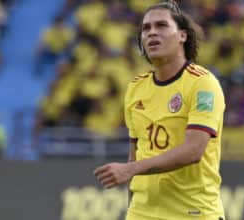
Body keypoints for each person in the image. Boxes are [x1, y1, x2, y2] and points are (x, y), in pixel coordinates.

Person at [94, 1, 226, 219]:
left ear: (182, 35)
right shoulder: (136, 88)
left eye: (161, 26)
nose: (152, 33)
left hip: (193, 212)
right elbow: (135, 154)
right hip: (142, 212)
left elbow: (193, 150)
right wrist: (132, 203)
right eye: (146, 28)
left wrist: (130, 170)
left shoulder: (203, 84)